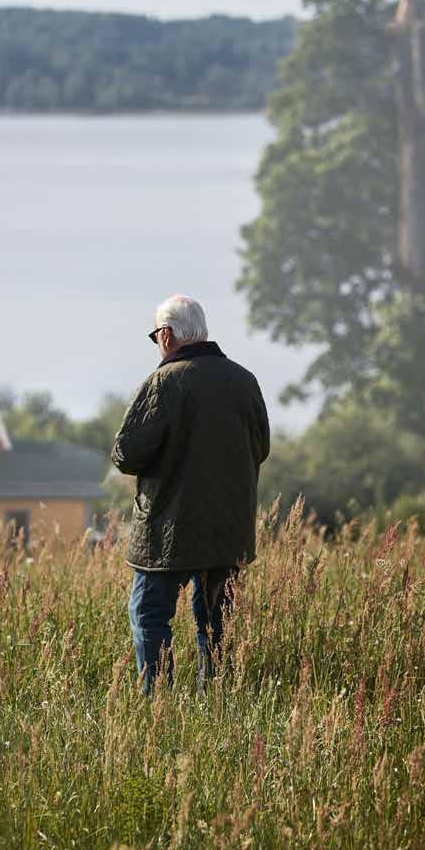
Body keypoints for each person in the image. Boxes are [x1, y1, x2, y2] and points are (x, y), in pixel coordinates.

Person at [111, 294, 270, 693]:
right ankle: (213, 703)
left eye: (155, 336)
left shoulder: (164, 381)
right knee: (217, 622)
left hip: (169, 528)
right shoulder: (244, 380)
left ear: (166, 335)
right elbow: (262, 446)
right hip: (228, 529)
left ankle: (159, 704)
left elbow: (127, 454)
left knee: (149, 614)